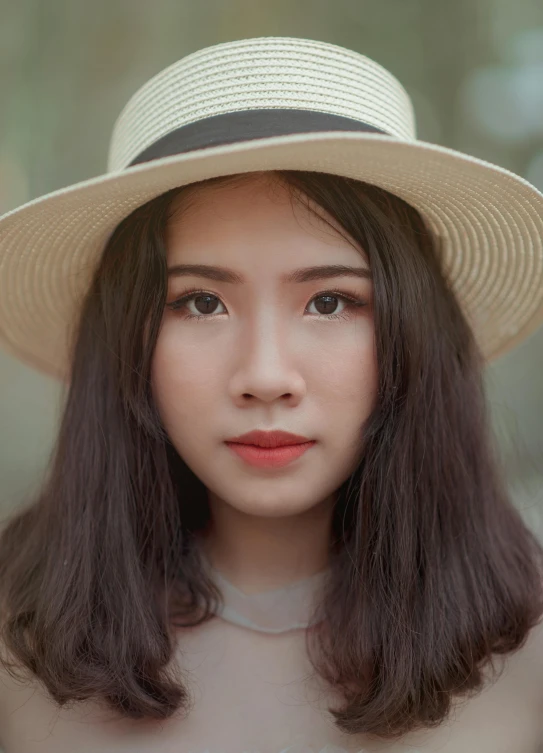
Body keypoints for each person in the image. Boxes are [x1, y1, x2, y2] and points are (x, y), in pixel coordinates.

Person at [0, 36, 542, 753]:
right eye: (198, 302)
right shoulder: (15, 643)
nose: (263, 374)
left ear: (413, 332)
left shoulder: (528, 650)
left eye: (328, 302)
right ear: (126, 339)